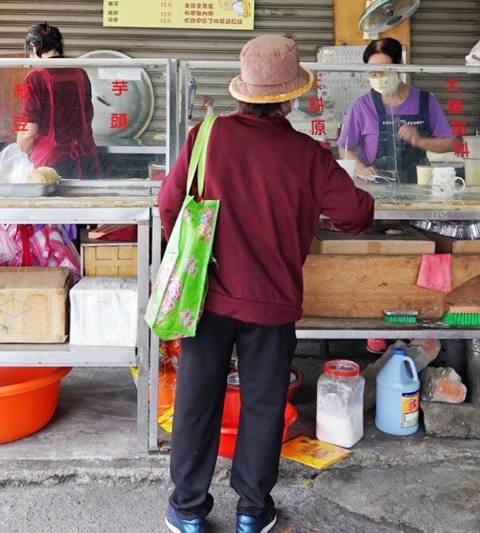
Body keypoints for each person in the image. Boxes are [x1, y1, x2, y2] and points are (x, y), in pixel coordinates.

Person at [159, 34, 375, 533]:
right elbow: (357, 213)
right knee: (262, 404)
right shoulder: (308, 154)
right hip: (273, 305)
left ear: (241, 92)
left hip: (206, 296)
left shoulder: (204, 137)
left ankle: (188, 511)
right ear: (290, 98)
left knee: (196, 400)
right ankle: (253, 512)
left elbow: (170, 207)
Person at [337, 38, 458, 182]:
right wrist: (361, 170)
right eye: (373, 74)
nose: (379, 78)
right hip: (376, 187)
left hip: (418, 187)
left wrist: (420, 141)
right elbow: (344, 148)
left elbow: (450, 144)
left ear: (400, 65)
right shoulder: (361, 106)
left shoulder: (425, 101)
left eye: (384, 71)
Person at [16, 23, 101, 179]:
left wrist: (20, 149)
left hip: (53, 166)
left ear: (34, 47)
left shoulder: (35, 79)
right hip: (86, 160)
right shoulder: (81, 73)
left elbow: (28, 133)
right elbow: (87, 116)